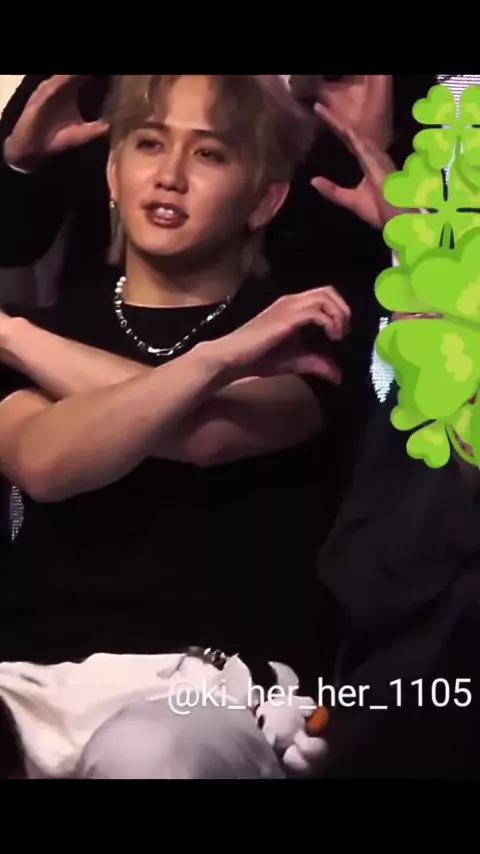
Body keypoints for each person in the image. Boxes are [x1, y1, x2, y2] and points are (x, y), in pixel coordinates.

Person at [0, 74, 352, 779]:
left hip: (206, 688)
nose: (169, 175)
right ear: (112, 171)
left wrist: (10, 336)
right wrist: (217, 365)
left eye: (209, 153)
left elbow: (208, 437)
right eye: (150, 144)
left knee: (147, 756)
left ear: (265, 199)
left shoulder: (299, 327)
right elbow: (44, 463)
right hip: (27, 683)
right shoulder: (46, 328)